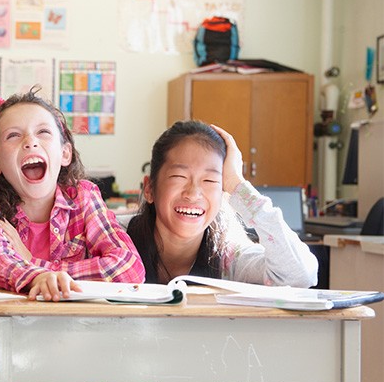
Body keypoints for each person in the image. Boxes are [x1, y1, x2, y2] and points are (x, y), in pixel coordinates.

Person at [0, 88, 145, 305]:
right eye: (13, 135)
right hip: (11, 328)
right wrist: (39, 277)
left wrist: (36, 265)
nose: (30, 142)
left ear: (65, 153)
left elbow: (129, 268)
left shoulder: (84, 197)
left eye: (43, 132)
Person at [125, 120, 319, 286]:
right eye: (179, 176)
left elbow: (300, 276)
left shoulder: (228, 258)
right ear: (149, 189)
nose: (193, 194)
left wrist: (237, 184)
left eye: (210, 181)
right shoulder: (113, 238)